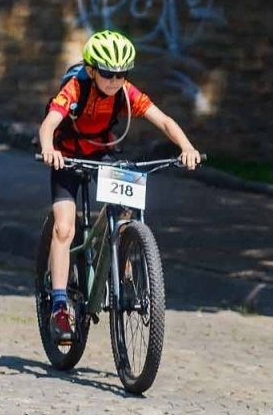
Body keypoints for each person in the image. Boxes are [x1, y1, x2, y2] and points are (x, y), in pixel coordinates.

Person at [37, 30, 203, 345]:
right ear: (91, 70)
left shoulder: (126, 93)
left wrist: (187, 147)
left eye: (121, 73)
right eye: (108, 74)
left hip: (101, 150)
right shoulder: (75, 88)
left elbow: (164, 120)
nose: (115, 80)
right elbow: (49, 123)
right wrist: (49, 149)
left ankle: (122, 258)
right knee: (64, 228)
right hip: (67, 154)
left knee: (126, 208)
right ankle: (59, 304)